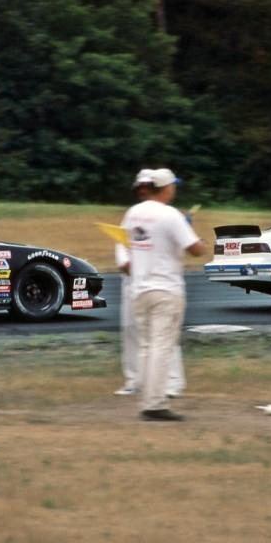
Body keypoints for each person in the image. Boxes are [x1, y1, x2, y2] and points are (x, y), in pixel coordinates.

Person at [121, 168, 205, 421]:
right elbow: (195, 250)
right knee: (162, 347)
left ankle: (147, 399)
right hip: (166, 288)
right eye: (173, 186)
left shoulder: (133, 212)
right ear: (167, 188)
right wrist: (198, 238)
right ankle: (155, 404)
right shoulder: (170, 215)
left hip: (139, 288)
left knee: (146, 347)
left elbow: (129, 242)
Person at [114, 170, 186, 397]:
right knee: (132, 331)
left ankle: (171, 383)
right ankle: (136, 380)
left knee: (162, 336)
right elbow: (122, 242)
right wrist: (126, 264)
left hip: (157, 283)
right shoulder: (134, 213)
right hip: (135, 282)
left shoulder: (167, 214)